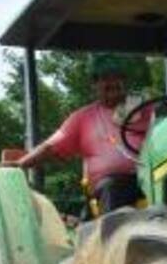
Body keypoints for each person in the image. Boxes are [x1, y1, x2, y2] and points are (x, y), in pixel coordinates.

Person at [10, 53, 155, 214]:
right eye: (105, 78)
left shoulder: (145, 108)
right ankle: (115, 236)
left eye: (117, 77)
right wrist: (20, 164)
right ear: (95, 83)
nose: (112, 83)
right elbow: (51, 147)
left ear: (125, 81)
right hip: (112, 186)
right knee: (113, 187)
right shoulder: (83, 118)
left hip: (151, 175)